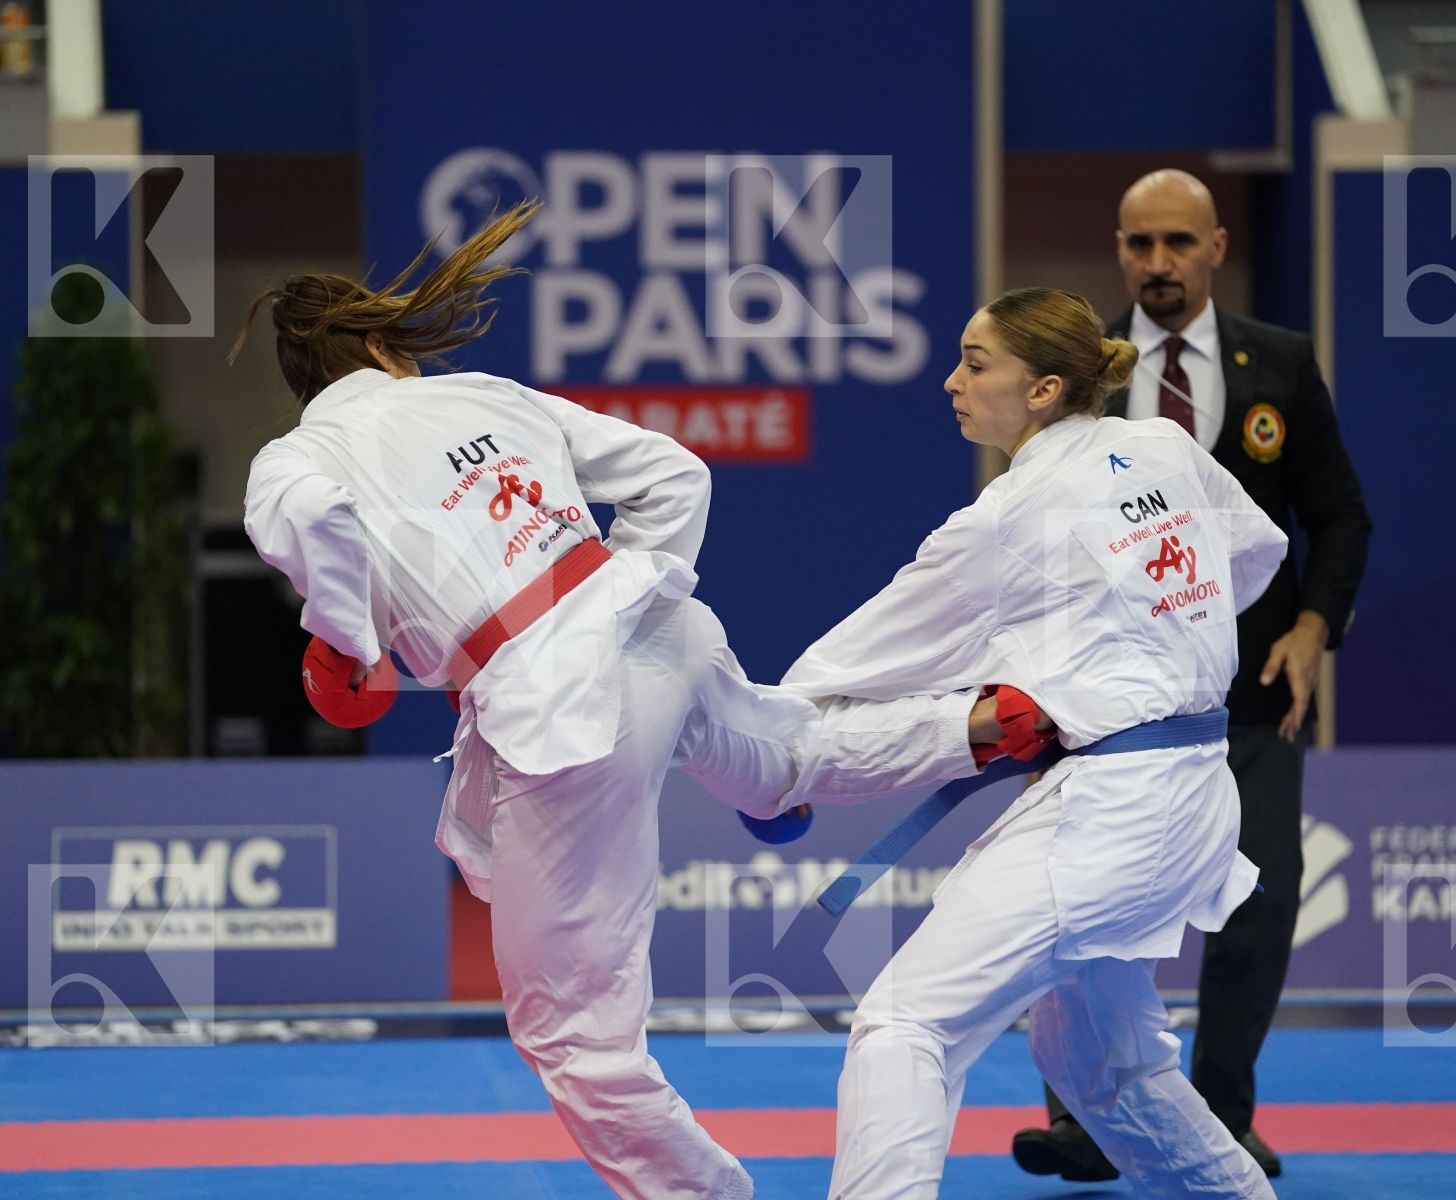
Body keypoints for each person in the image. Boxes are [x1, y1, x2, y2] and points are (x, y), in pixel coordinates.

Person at [232, 201, 990, 1200]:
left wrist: (348, 641)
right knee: (788, 756)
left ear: (305, 383)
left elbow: (316, 516)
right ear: (381, 347)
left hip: (561, 703)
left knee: (566, 1029)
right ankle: (984, 724)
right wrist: (627, 596)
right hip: (645, 619)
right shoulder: (485, 397)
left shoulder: (295, 458)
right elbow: (676, 472)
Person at [781, 286, 1289, 1199]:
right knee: (1101, 1061)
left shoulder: (1009, 514)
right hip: (1193, 787)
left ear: (1047, 387)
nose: (951, 382)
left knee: (906, 1026)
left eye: (976, 364)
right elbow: (1253, 555)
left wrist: (769, 750)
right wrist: (1145, 640)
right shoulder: (1168, 448)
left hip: (1114, 809)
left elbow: (849, 661)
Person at [1012, 170, 1372, 1181]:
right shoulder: (1079, 372)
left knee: (1258, 904)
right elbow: (1035, 537)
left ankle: (1215, 1113)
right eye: (1137, 246)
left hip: (1253, 686)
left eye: (1176, 243)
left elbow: (1338, 516)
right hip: (1107, 700)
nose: (1156, 265)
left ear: (1214, 246)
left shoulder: (1281, 367)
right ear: (1118, 251)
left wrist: (1312, 625)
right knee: (1084, 902)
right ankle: (1088, 1121)